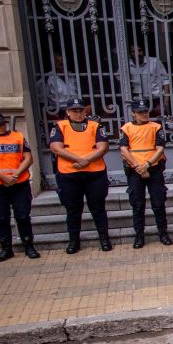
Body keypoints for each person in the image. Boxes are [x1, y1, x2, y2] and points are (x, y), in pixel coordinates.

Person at [49, 97, 112, 253]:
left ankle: (104, 239)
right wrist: (79, 160)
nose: (78, 114)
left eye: (81, 110)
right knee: (73, 210)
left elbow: (103, 147)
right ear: (68, 112)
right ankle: (74, 242)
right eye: (74, 111)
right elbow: (56, 148)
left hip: (94, 174)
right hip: (69, 175)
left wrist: (86, 160)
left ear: (86, 111)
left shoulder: (96, 125)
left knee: (98, 208)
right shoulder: (59, 126)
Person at [119, 99, 171, 248]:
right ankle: (139, 235)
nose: (144, 114)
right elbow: (124, 149)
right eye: (140, 112)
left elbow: (160, 149)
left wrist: (147, 165)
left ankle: (163, 233)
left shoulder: (156, 127)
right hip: (136, 171)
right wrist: (138, 167)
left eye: (146, 111)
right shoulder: (126, 128)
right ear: (133, 114)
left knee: (158, 203)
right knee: (137, 204)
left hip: (153, 169)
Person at [0, 113, 40, 261]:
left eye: (2, 124)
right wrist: (3, 177)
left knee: (22, 216)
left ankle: (28, 246)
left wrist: (16, 175)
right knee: (1, 218)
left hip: (19, 184)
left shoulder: (18, 137)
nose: (1, 127)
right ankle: (6, 249)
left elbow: (28, 158)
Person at [127, 44, 171, 113]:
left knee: (159, 121)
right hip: (137, 99)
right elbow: (119, 79)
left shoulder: (154, 62)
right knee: (141, 122)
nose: (138, 53)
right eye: (133, 51)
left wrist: (166, 100)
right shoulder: (126, 65)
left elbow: (165, 80)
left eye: (139, 50)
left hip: (156, 99)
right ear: (130, 54)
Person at [39, 53, 81, 117]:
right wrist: (51, 114)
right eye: (61, 65)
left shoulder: (73, 77)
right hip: (58, 113)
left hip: (76, 111)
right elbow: (42, 101)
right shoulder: (47, 78)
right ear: (54, 65)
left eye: (65, 64)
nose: (64, 67)